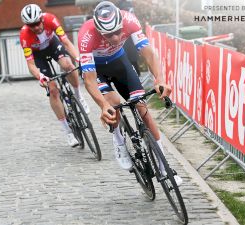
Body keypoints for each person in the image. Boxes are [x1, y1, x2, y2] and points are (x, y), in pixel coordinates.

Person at [78, 1, 181, 184]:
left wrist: (160, 79)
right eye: (109, 34)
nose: (116, 38)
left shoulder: (130, 20)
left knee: (143, 110)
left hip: (120, 63)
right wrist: (103, 105)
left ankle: (165, 168)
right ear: (99, 30)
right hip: (97, 70)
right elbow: (89, 80)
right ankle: (119, 142)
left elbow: (149, 53)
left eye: (118, 32)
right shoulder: (86, 35)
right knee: (113, 102)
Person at [19, 4, 90, 147]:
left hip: (52, 45)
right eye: (31, 25)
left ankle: (78, 95)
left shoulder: (51, 19)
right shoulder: (25, 35)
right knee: (52, 89)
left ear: (41, 19)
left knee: (68, 65)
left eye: (37, 23)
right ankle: (68, 132)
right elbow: (31, 64)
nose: (36, 27)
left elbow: (66, 42)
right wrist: (40, 76)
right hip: (38, 55)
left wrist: (79, 58)